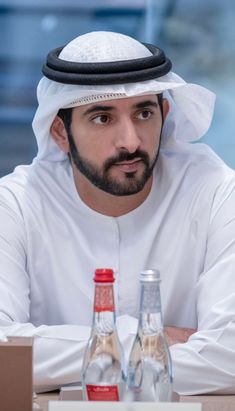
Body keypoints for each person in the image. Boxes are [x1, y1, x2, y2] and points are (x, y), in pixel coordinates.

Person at [0, 31, 235, 396]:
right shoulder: (15, 204)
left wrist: (57, 359)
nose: (130, 141)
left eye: (144, 113)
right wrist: (146, 341)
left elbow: (231, 356)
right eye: (102, 118)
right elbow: (3, 355)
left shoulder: (217, 191)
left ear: (165, 114)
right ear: (60, 132)